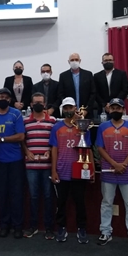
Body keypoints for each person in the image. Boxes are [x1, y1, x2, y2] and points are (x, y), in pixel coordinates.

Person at [96, 98, 128, 249]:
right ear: (109, 109)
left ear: (124, 110)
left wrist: (123, 164)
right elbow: (100, 148)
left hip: (127, 170)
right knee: (106, 202)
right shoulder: (103, 127)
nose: (116, 111)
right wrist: (114, 164)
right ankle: (105, 231)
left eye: (119, 108)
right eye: (113, 108)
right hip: (108, 169)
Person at [0, 88, 26, 238]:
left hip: (15, 161)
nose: (4, 99)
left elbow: (21, 136)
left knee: (16, 195)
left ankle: (18, 226)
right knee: (2, 195)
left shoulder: (16, 114)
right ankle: (4, 225)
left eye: (6, 97)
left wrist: (1, 139)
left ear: (10, 100)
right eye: (1, 96)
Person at [49, 97, 90, 243]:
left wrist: (88, 169)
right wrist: (53, 170)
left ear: (75, 108)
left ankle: (82, 228)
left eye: (70, 108)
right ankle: (61, 227)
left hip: (79, 171)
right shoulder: (56, 127)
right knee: (61, 203)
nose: (68, 110)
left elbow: (88, 148)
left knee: (80, 202)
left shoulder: (82, 125)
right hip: (61, 170)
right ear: (62, 109)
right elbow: (54, 149)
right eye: (65, 108)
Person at [22, 92, 57, 239]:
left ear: (45, 104)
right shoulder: (25, 121)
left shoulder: (53, 121)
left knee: (49, 197)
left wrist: (49, 150)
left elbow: (55, 141)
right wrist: (26, 151)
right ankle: (33, 226)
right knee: (34, 196)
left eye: (41, 102)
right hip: (31, 166)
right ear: (31, 104)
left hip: (48, 165)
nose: (38, 104)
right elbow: (22, 140)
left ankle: (49, 228)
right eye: (35, 102)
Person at [57, 53, 96, 119]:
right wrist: (69, 108)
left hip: (86, 113)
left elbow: (93, 93)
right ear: (68, 62)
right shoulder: (63, 76)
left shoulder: (88, 74)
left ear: (80, 61)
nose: (74, 62)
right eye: (72, 60)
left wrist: (86, 109)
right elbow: (60, 94)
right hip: (69, 113)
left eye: (76, 59)